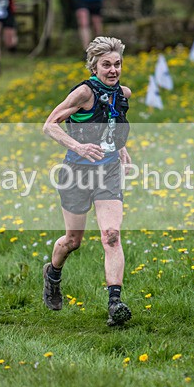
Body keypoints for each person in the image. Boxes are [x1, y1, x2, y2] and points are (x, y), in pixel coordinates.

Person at [42, 36, 132, 326]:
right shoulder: (83, 93)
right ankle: (52, 275)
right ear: (94, 66)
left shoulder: (122, 93)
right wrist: (78, 147)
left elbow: (113, 122)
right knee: (72, 240)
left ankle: (115, 304)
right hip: (76, 173)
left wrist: (120, 147)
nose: (113, 70)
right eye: (106, 64)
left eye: (117, 64)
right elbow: (49, 125)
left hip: (107, 172)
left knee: (111, 235)